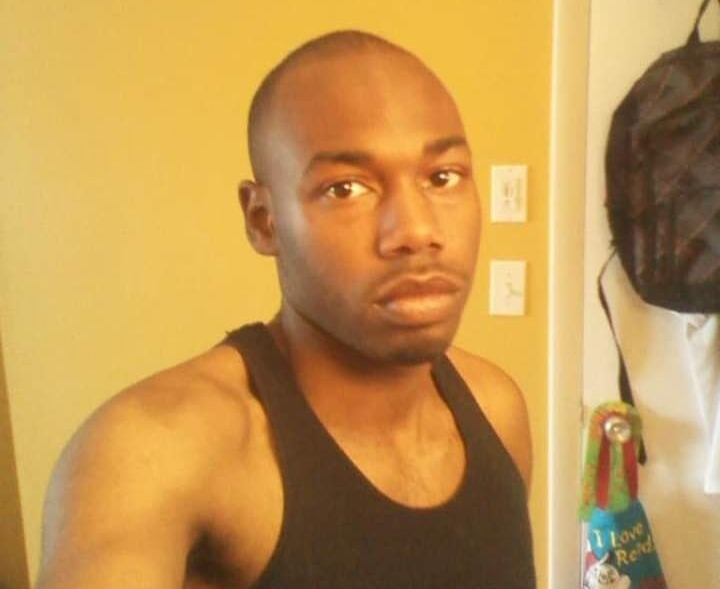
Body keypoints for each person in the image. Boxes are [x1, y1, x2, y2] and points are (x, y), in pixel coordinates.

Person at [36, 31, 536, 588]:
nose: (417, 231)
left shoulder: (497, 408)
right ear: (263, 220)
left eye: (442, 178)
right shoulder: (157, 450)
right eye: (346, 189)